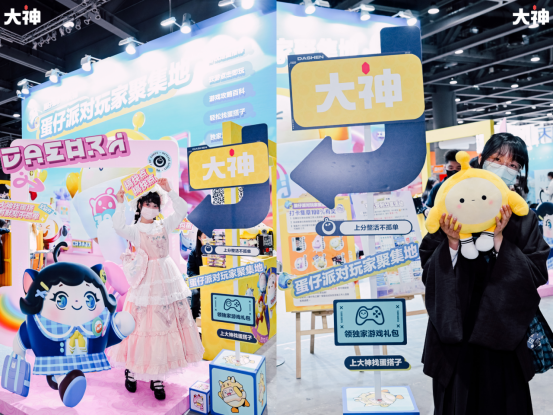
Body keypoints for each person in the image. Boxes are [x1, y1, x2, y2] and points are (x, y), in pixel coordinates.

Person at [421, 132, 550, 415]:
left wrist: (500, 239)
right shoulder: (452, 206)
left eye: (513, 165)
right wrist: (452, 243)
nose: (505, 168)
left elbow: (536, 272)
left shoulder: (523, 217)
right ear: (481, 161)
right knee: (457, 402)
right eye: (497, 159)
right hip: (455, 329)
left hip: (504, 333)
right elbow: (427, 265)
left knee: (505, 402)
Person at [109, 178, 204, 400]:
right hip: (144, 280)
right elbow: (118, 227)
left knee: (163, 324)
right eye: (148, 204)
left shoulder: (163, 225)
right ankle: (132, 370)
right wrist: (120, 203)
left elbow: (181, 210)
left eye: (155, 205)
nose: (151, 208)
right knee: (140, 325)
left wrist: (170, 191)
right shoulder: (135, 230)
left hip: (166, 279)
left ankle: (157, 377)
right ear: (140, 205)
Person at [187, 229, 210, 321]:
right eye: (205, 237)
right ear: (199, 238)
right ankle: (194, 317)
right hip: (197, 280)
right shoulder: (193, 253)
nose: (207, 239)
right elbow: (190, 270)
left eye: (209, 237)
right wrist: (199, 280)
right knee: (196, 293)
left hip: (210, 279)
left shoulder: (213, 252)